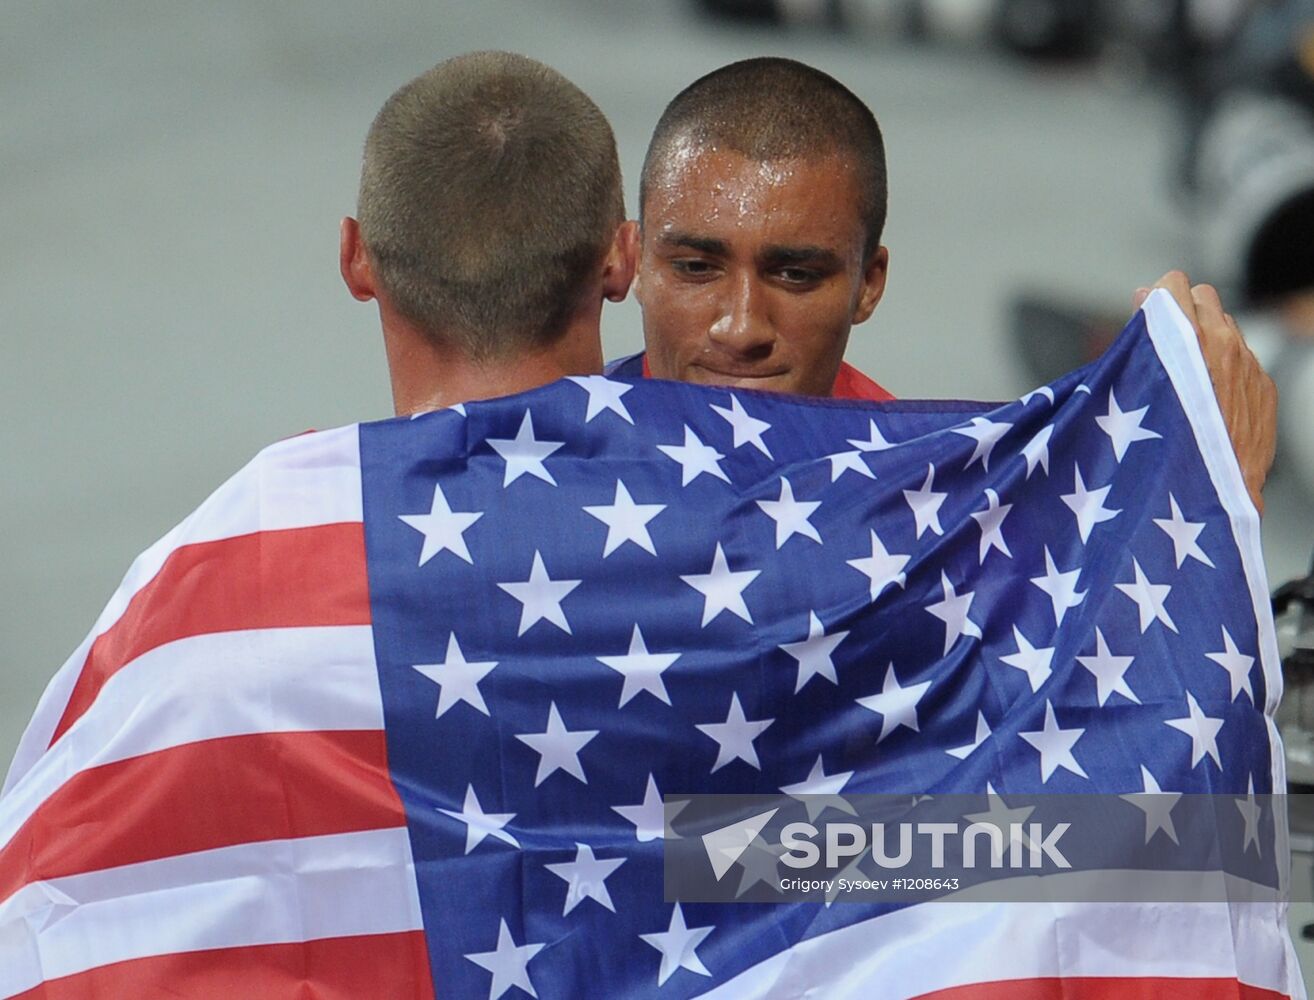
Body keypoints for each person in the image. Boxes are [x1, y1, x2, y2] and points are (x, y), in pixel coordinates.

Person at [613, 57, 1278, 512]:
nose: (741, 327)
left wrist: (1222, 496)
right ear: (635, 261)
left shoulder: (943, 512)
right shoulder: (528, 465)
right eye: (696, 268)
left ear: (869, 285)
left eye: (795, 274)